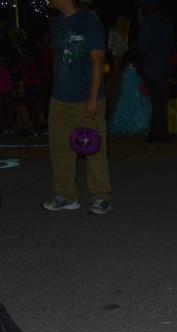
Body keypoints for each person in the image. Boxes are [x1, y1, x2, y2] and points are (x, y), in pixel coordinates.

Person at [43, 0, 112, 215]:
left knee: (94, 148)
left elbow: (98, 61)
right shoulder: (56, 24)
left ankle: (101, 197)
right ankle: (66, 195)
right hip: (60, 98)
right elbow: (57, 61)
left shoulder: (88, 21)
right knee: (60, 149)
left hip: (86, 97)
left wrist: (93, 98)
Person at [136, 0, 174, 143]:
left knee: (155, 101)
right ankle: (160, 131)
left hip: (151, 67)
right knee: (160, 101)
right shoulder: (166, 22)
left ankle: (160, 133)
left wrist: (140, 67)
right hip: (164, 66)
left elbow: (143, 48)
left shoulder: (148, 22)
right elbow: (170, 46)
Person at [108, 50, 151, 136]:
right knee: (136, 110)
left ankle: (128, 127)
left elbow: (124, 85)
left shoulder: (127, 70)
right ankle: (134, 127)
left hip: (128, 95)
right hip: (134, 95)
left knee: (126, 110)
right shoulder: (135, 71)